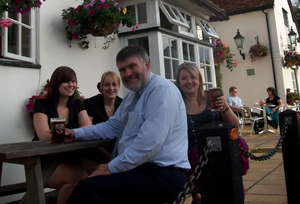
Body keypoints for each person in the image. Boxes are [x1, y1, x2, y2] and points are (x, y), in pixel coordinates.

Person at [65, 45, 190, 204]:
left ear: (147, 65)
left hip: (162, 175)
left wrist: (110, 167)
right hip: (140, 169)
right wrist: (75, 134)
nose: (127, 74)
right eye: (122, 70)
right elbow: (113, 126)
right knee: (89, 187)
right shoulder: (132, 97)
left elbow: (148, 145)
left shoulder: (162, 91)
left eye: (132, 66)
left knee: (88, 189)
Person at [176, 63, 247, 200]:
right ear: (178, 82)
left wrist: (225, 107)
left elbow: (234, 125)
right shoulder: (176, 103)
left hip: (221, 152)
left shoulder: (211, 99)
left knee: (231, 189)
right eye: (184, 78)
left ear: (200, 81)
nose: (189, 81)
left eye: (193, 77)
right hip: (193, 158)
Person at [33, 66, 96, 204]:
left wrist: (70, 133)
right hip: (47, 162)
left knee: (101, 171)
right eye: (66, 81)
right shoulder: (42, 104)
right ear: (56, 83)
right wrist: (73, 133)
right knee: (78, 177)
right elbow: (43, 134)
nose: (71, 85)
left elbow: (88, 127)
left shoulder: (77, 104)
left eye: (73, 81)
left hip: (72, 158)